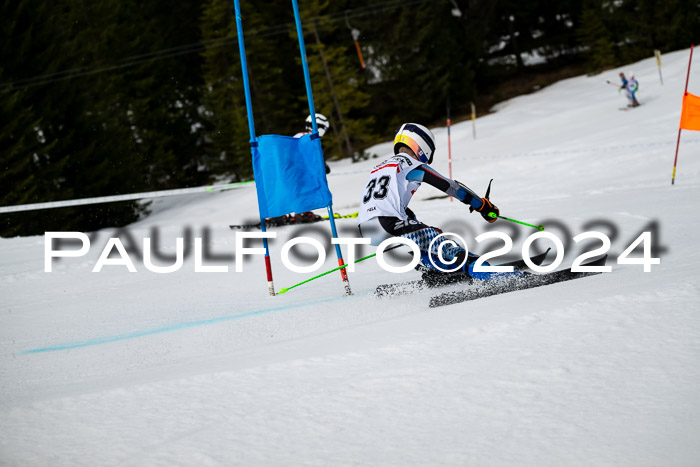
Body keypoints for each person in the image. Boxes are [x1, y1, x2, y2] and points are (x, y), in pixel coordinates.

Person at [357, 122, 500, 278]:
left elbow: (396, 208)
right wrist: (482, 206)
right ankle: (493, 276)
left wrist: (421, 227)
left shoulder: (380, 167)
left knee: (427, 240)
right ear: (422, 146)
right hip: (387, 223)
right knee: (447, 246)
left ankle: (437, 270)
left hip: (366, 229)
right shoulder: (409, 164)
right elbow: (450, 186)